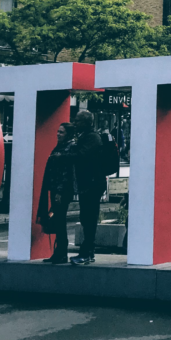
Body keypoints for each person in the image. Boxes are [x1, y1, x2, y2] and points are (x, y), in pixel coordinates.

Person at [69, 110, 107, 266]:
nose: (75, 123)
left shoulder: (92, 138)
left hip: (92, 185)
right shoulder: (86, 137)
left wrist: (66, 153)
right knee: (86, 218)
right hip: (88, 184)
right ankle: (88, 252)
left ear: (86, 122)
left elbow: (81, 156)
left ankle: (87, 252)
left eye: (77, 121)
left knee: (89, 218)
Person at [38, 123, 75, 264]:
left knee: (60, 221)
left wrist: (60, 191)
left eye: (62, 132)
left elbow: (65, 172)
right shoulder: (60, 146)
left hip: (61, 191)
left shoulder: (68, 147)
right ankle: (58, 252)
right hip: (55, 189)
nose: (58, 134)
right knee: (58, 221)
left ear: (68, 134)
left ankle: (61, 253)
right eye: (58, 131)